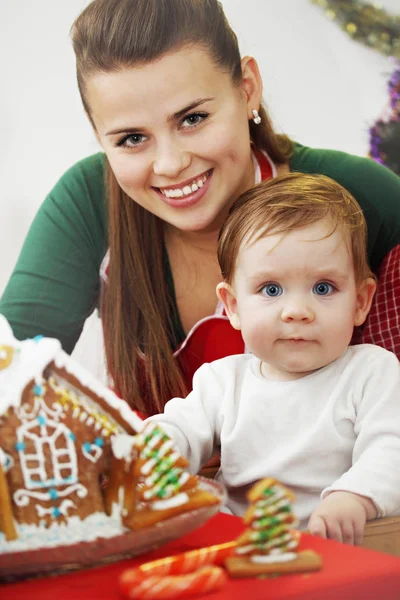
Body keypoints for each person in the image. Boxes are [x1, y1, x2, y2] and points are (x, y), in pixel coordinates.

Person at [1, 0, 400, 417]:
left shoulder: (361, 197)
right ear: (98, 133)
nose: (171, 164)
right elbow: (9, 376)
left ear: (247, 89)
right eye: (132, 139)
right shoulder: (89, 201)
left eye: (192, 118)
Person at [145, 172, 400, 545]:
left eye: (323, 288)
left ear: (360, 302)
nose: (297, 311)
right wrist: (153, 453)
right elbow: (178, 428)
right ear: (233, 306)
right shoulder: (222, 380)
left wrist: (355, 496)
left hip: (339, 546)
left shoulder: (370, 372)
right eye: (271, 289)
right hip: (239, 546)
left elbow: (392, 448)